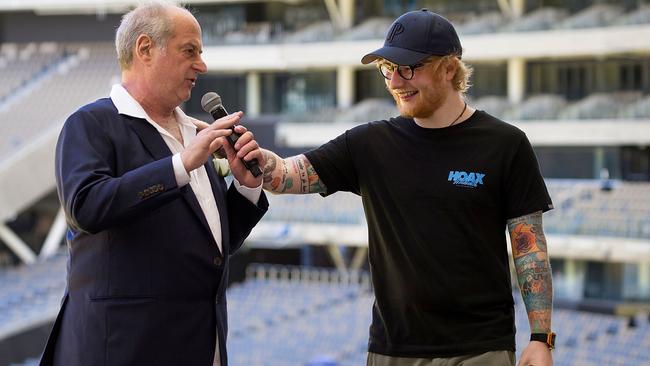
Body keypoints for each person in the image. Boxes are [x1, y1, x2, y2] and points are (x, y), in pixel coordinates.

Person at [258, 9, 555, 366]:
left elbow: (530, 248)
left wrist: (541, 338)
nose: (396, 81)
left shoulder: (506, 144)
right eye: (388, 68)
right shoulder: (369, 143)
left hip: (481, 350)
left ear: (449, 69)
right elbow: (288, 175)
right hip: (393, 351)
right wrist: (258, 162)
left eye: (408, 68)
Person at [40, 2, 268, 365]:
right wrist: (181, 164)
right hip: (123, 350)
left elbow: (208, 248)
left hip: (199, 346)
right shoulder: (91, 124)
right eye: (189, 51)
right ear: (145, 49)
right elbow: (85, 206)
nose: (202, 66)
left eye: (201, 53)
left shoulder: (192, 132)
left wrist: (245, 187)